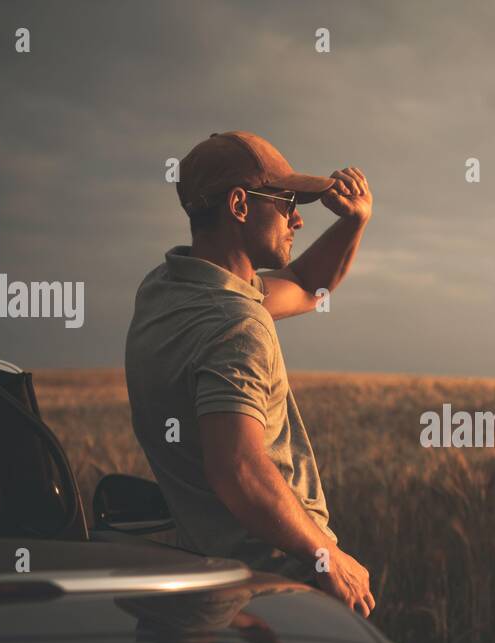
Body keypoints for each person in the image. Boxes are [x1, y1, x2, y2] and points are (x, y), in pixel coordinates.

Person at [125, 130, 375, 617]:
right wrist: (326, 556)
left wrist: (355, 223)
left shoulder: (163, 290)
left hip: (210, 582)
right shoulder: (238, 325)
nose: (298, 218)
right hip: (276, 585)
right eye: (285, 203)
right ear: (240, 205)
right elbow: (237, 470)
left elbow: (306, 286)